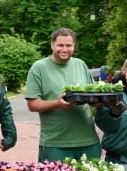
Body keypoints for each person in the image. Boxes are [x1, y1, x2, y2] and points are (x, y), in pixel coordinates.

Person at [25, 28, 100, 162]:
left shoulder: (80, 65)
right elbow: (32, 104)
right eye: (60, 45)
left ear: (74, 46)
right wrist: (57, 103)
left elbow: (93, 96)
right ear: (52, 45)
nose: (65, 49)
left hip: (88, 140)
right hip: (55, 144)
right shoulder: (39, 68)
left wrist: (105, 101)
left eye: (68, 45)